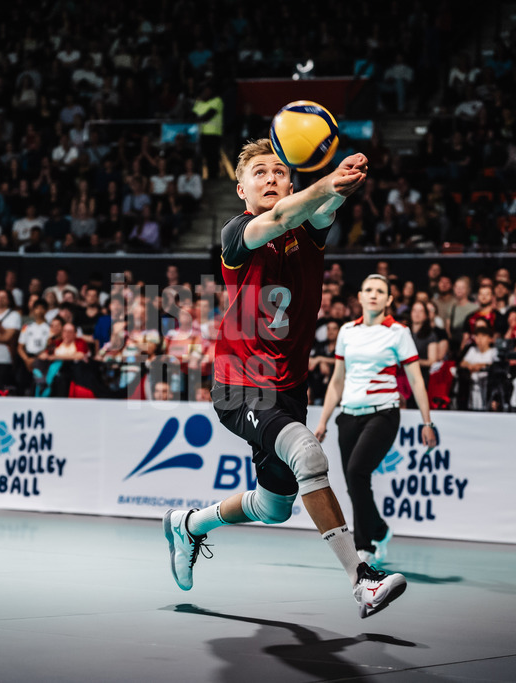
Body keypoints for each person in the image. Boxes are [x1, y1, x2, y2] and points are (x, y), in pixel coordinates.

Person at [162, 140, 406, 619]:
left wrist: (341, 184)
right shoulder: (238, 233)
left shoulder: (310, 229)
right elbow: (278, 219)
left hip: (289, 388)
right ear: (241, 189)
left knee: (275, 506)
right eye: (260, 173)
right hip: (240, 383)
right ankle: (363, 580)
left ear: (291, 183)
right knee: (308, 454)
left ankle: (188, 525)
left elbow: (324, 206)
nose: (271, 178)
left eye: (279, 171)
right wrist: (325, 185)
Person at [314, 275, 437, 565]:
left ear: (389, 300)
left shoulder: (398, 332)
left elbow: (416, 380)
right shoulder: (347, 331)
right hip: (348, 416)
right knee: (354, 483)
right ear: (360, 295)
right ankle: (380, 529)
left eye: (380, 291)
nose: (373, 295)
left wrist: (427, 422)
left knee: (357, 472)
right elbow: (337, 380)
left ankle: (365, 544)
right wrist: (323, 421)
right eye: (368, 289)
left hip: (383, 412)